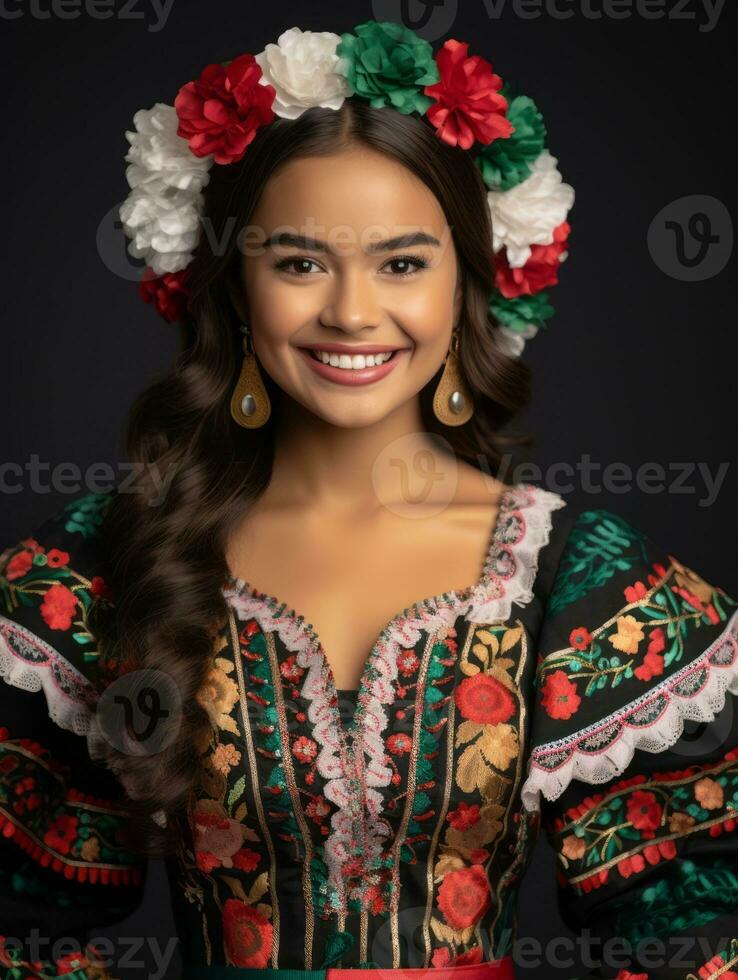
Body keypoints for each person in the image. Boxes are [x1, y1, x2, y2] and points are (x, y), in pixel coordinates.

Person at [1, 20, 736, 980]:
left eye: (402, 262)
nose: (351, 311)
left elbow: (698, 928)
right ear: (233, 290)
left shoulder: (582, 579)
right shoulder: (104, 560)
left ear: (469, 281)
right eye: (300, 262)